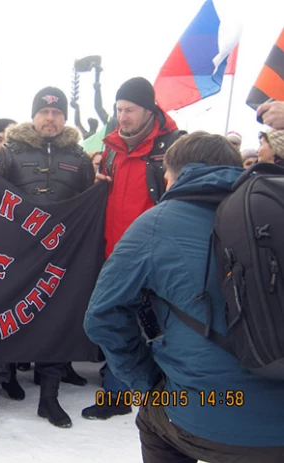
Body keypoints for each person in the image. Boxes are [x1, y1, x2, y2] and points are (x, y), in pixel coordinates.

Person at [84, 131, 284, 463]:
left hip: (208, 415)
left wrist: (146, 383)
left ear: (171, 174)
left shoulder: (156, 223)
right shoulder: (275, 216)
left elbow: (101, 315)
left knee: (153, 420)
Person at [0, 86, 94, 434]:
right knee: (3, 321)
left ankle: (49, 398)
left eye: (56, 113)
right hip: (15, 254)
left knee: (56, 322)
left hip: (61, 255)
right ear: (34, 115)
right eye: (44, 112)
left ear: (64, 118)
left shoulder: (80, 157)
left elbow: (88, 202)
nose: (49, 119)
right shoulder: (10, 151)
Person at [82, 77, 185, 421]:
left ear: (149, 109)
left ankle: (170, 396)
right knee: (116, 322)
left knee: (160, 326)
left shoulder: (174, 146)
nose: (122, 117)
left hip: (158, 256)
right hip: (116, 253)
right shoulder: (110, 148)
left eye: (129, 110)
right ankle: (117, 393)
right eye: (118, 109)